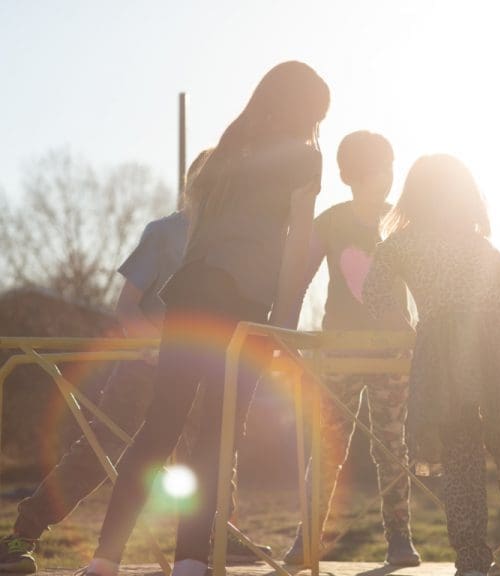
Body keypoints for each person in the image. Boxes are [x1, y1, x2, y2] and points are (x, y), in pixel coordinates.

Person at [84, 61, 330, 576]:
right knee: (219, 434)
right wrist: (282, 324)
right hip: (240, 304)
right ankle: (191, 560)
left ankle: (105, 558)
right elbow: (296, 246)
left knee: (160, 426)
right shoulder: (305, 158)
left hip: (190, 298)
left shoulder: (223, 156)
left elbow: (197, 240)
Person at [0, 149, 267, 573]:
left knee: (215, 449)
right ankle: (22, 534)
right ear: (193, 184)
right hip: (146, 367)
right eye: (210, 181)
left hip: (205, 368)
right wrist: (155, 345)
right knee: (98, 450)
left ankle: (216, 534)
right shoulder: (165, 232)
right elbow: (127, 306)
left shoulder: (231, 243)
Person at [363, 155, 500, 576]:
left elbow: (374, 296)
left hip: (448, 349)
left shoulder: (402, 243)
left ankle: (471, 558)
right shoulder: (483, 246)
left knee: (461, 450)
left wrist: (408, 331)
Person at [282, 131, 419, 566]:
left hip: (393, 351)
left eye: (391, 166)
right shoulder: (332, 221)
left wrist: (421, 332)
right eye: (377, 168)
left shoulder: (401, 221)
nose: (386, 177)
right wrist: (285, 333)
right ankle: (307, 540)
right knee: (328, 445)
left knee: (392, 445)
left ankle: (400, 538)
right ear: (352, 175)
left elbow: (422, 282)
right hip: (340, 349)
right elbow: (300, 277)